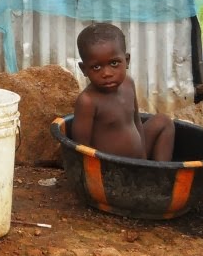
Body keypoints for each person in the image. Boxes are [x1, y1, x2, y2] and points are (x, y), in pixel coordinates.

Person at [71, 23, 175, 162]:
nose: (107, 73)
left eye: (114, 63)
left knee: (164, 121)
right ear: (84, 69)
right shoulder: (88, 101)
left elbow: (136, 121)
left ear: (126, 61)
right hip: (111, 167)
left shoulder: (128, 84)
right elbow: (81, 147)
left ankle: (161, 172)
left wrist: (143, 158)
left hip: (138, 158)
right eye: (96, 67)